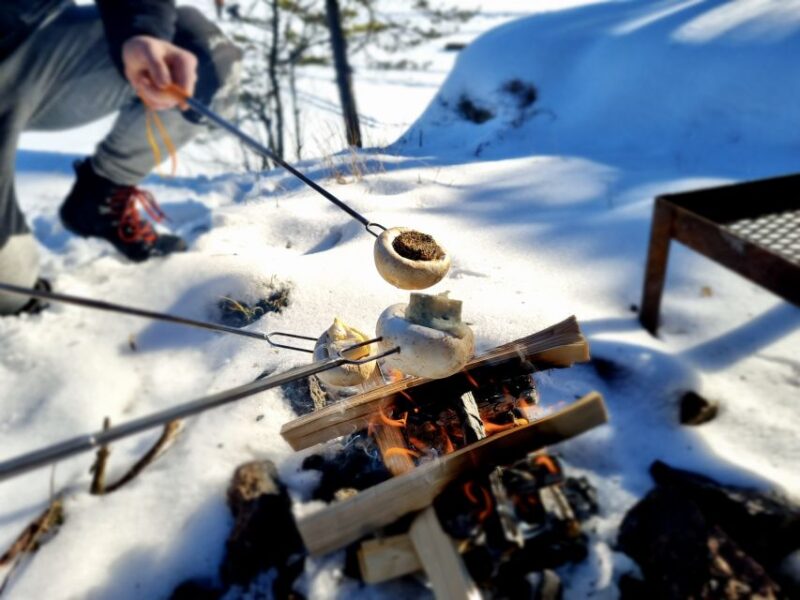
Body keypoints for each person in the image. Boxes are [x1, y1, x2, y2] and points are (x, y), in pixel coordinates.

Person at [0, 0, 241, 315]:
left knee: (207, 59)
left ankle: (99, 201)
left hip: (35, 34)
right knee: (12, 294)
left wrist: (142, 30)